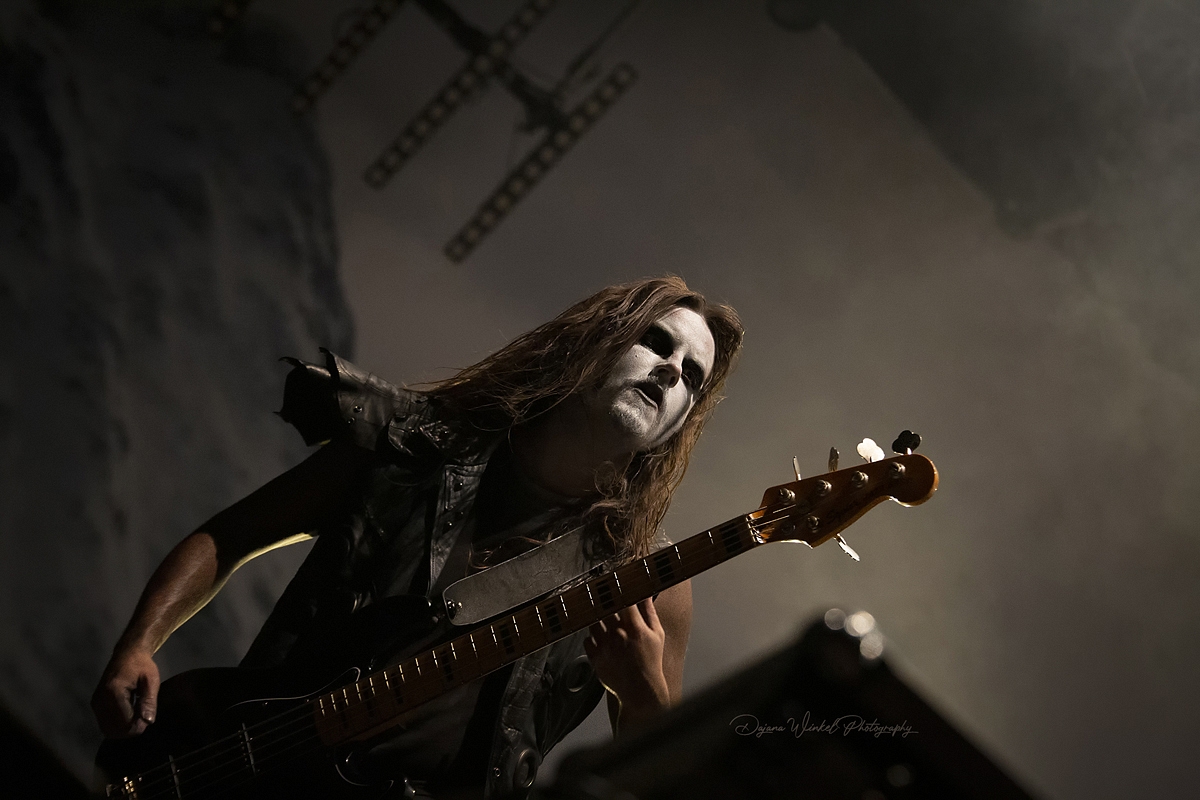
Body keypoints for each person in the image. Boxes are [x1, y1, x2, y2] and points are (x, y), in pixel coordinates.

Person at [91, 276, 743, 798]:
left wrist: (644, 693)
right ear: (594, 342)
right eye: (657, 342)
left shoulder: (649, 583)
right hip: (245, 765)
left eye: (692, 376)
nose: (671, 371)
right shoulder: (414, 444)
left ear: (680, 423)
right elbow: (233, 534)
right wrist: (137, 645)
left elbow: (657, 773)